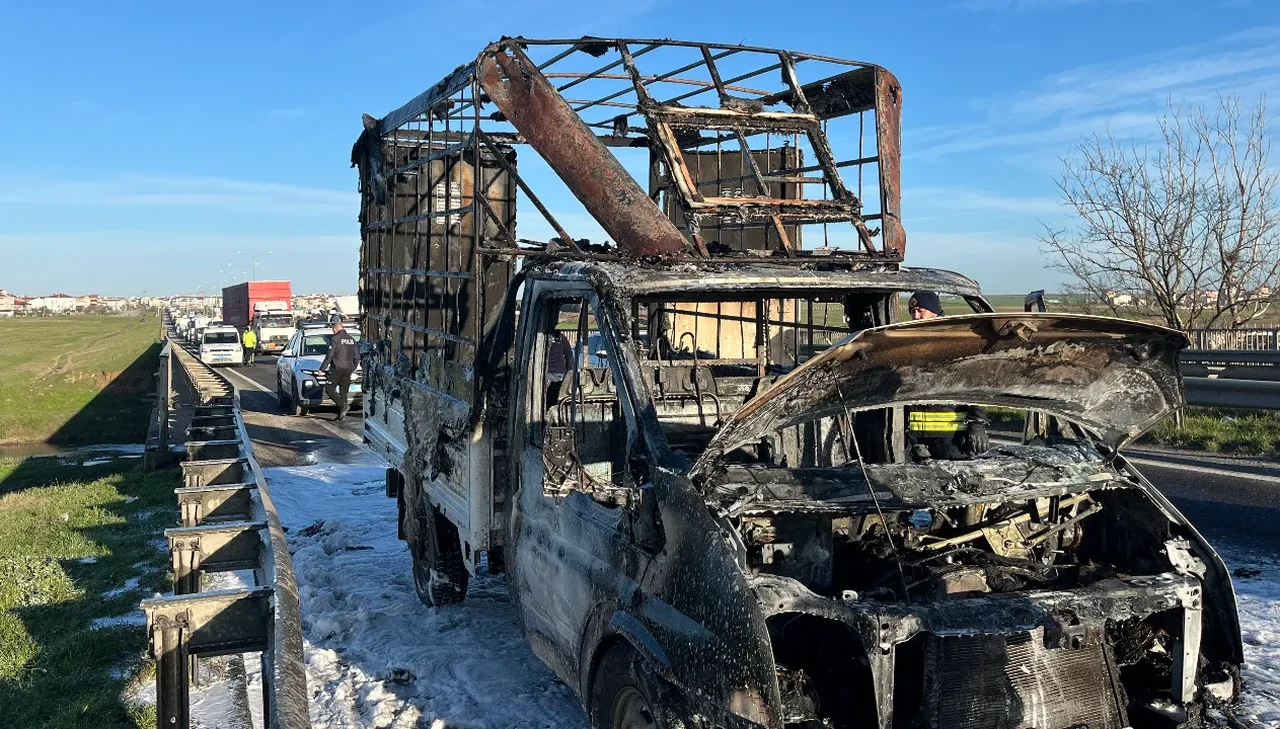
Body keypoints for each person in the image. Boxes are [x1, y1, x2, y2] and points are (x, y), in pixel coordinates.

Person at [904, 291, 990, 460]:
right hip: (915, 438)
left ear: (934, 312)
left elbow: (978, 383)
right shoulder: (908, 345)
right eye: (913, 312)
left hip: (952, 438)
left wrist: (977, 423)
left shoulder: (954, 344)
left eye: (921, 311)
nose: (916, 316)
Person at [319, 321, 359, 421]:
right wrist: (353, 367)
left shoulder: (335, 339)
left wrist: (322, 369)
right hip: (348, 369)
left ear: (335, 329)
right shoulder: (351, 339)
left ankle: (343, 406)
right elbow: (357, 356)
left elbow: (330, 355)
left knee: (329, 389)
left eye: (333, 330)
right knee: (343, 392)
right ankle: (342, 415)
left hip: (337, 368)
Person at [545, 329, 574, 407]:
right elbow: (569, 354)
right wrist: (569, 371)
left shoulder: (542, 337)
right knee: (559, 394)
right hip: (560, 372)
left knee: (547, 396)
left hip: (548, 373)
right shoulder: (561, 337)